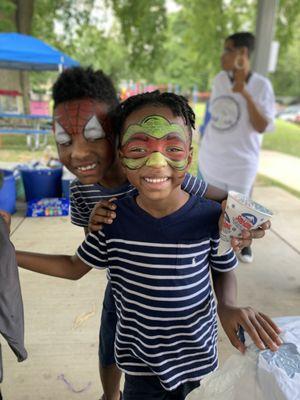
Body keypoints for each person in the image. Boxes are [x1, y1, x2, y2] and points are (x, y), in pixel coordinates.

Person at [11, 91, 281, 400]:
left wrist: (227, 304)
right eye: (139, 148)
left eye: (173, 148)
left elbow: (222, 269)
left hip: (197, 361)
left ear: (189, 158)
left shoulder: (210, 217)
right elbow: (74, 267)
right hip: (140, 365)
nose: (156, 162)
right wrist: (9, 254)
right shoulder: (110, 218)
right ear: (122, 155)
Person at [197, 32, 276, 264]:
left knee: (239, 217)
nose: (223, 56)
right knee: (209, 213)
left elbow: (262, 125)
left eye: (228, 50)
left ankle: (242, 246)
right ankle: (206, 249)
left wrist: (244, 91)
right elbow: (216, 114)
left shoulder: (262, 86)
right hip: (211, 157)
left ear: (243, 53)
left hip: (241, 163)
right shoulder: (220, 79)